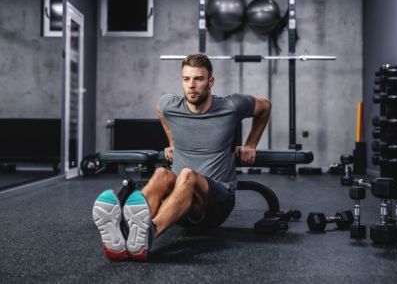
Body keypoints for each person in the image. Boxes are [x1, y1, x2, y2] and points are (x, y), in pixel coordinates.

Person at [92, 54, 271, 261]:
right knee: (161, 174)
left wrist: (250, 144)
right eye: (186, 79)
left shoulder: (231, 106)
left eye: (198, 79)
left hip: (216, 204)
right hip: (180, 205)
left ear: (210, 81)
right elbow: (160, 111)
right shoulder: (170, 105)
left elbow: (265, 106)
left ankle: (148, 234)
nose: (191, 85)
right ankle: (125, 236)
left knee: (187, 175)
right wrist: (172, 142)